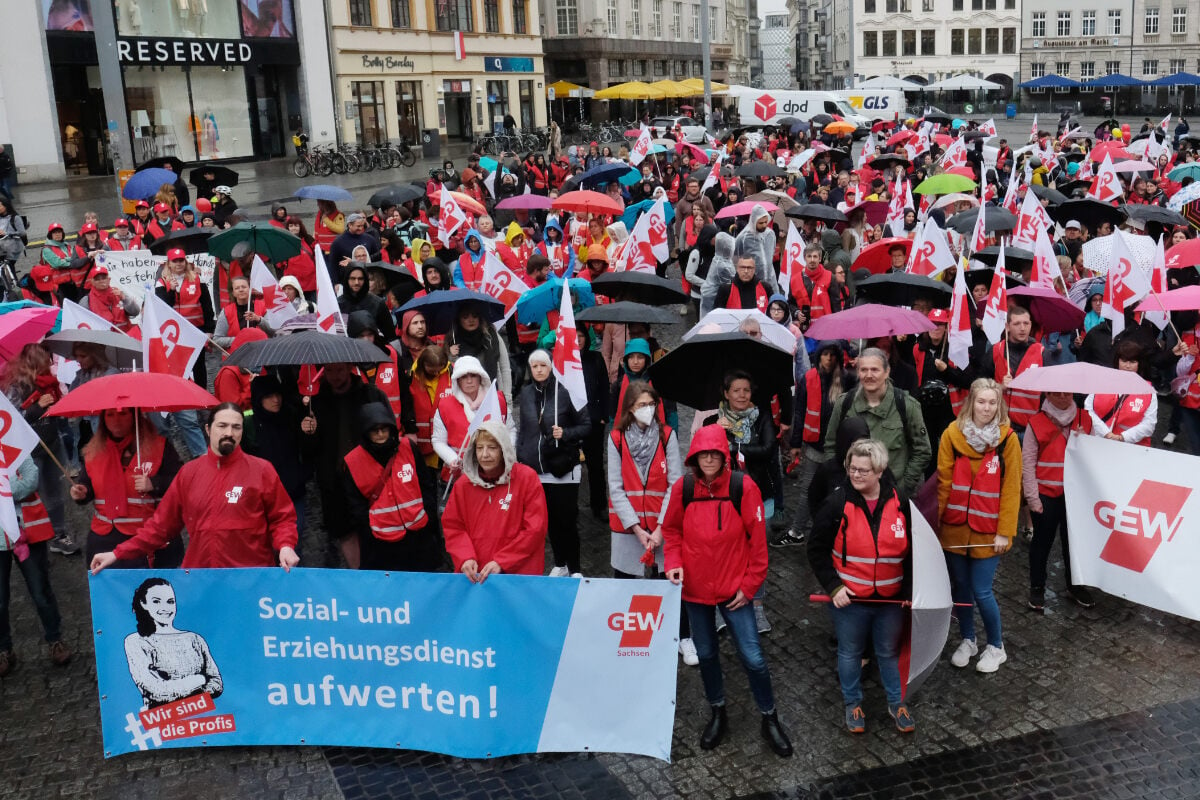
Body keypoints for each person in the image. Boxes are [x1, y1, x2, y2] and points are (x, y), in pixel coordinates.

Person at [663, 424, 793, 757]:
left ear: (724, 456)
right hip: (695, 592)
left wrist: (748, 587)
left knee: (753, 657)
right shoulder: (684, 488)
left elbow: (759, 546)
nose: (708, 459)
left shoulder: (743, 487)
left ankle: (769, 716)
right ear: (694, 456)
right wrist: (673, 561)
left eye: (714, 454)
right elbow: (672, 530)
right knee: (706, 655)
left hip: (735, 593)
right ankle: (717, 710)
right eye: (702, 454)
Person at [89, 404, 300, 572]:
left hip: (250, 577)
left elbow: (282, 518)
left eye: (236, 427)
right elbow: (160, 527)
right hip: (202, 578)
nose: (229, 432)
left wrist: (286, 545)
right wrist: (117, 553)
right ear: (208, 429)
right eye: (222, 426)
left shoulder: (261, 470)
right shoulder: (189, 473)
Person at [808, 439, 914, 733]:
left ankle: (897, 703)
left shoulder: (900, 501)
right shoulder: (836, 504)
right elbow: (816, 549)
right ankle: (852, 704)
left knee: (887, 652)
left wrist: (907, 592)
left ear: (879, 471)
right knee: (850, 652)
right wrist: (834, 587)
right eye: (853, 469)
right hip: (850, 601)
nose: (856, 475)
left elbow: (913, 551)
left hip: (889, 601)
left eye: (863, 471)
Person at [937, 379, 1022, 674]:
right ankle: (968, 640)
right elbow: (943, 482)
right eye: (981, 402)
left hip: (989, 530)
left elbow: (1012, 489)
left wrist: (1005, 531)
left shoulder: (1008, 440)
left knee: (981, 590)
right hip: (955, 527)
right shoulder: (951, 434)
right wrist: (935, 524)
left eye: (992, 402)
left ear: (999, 405)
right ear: (970, 402)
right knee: (960, 587)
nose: (986, 408)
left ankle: (996, 646)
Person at [607, 382, 693, 662]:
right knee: (627, 583)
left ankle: (682, 636)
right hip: (628, 528)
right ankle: (631, 638)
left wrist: (658, 529)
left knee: (668, 582)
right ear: (630, 409)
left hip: (661, 525)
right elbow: (616, 486)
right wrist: (636, 527)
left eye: (650, 404)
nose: (646, 410)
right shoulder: (616, 439)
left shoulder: (667, 436)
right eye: (640, 405)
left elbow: (675, 483)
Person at [68, 408, 185, 567]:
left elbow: (182, 483)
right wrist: (81, 493)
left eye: (123, 414)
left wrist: (154, 483)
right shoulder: (93, 451)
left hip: (148, 538)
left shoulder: (160, 447)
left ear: (135, 416)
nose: (116, 420)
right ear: (103, 419)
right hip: (105, 539)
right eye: (110, 415)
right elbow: (86, 484)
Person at [343, 402, 444, 572]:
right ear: (366, 432)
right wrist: (370, 531)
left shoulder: (408, 448)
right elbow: (355, 506)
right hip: (382, 543)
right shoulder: (353, 462)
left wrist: (428, 516)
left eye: (384, 429)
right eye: (375, 430)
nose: (381, 434)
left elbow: (426, 484)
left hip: (419, 536)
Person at [517, 349, 590, 577]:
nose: (539, 370)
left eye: (543, 366)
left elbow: (586, 426)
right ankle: (560, 563)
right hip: (536, 468)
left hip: (563, 468)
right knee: (549, 521)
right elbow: (525, 429)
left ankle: (575, 567)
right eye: (535, 366)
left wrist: (565, 433)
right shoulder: (526, 393)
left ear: (551, 367)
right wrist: (521, 454)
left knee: (567, 520)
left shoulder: (566, 392)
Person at [442, 421, 547, 581]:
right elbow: (453, 526)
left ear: (504, 449)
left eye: (492, 448)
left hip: (518, 577)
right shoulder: (463, 485)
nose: (485, 454)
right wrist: (465, 557)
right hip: (477, 578)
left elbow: (535, 529)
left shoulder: (527, 479)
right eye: (479, 448)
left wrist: (503, 561)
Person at [823, 347, 931, 498]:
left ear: (887, 372)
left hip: (891, 494)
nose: (869, 375)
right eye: (864, 370)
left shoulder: (906, 406)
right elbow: (830, 445)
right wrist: (839, 481)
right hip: (852, 493)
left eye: (875, 369)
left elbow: (922, 451)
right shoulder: (844, 403)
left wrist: (903, 487)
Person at [0, 343, 75, 555]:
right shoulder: (15, 387)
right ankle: (32, 537)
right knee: (34, 495)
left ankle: (59, 534)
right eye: (43, 364)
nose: (48, 368)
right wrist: (36, 408)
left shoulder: (48, 384)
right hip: (30, 452)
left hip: (51, 442)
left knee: (55, 492)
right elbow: (11, 421)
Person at [1023, 390, 1095, 612]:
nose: (1063, 398)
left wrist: (1085, 442)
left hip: (1075, 494)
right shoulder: (1035, 423)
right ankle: (1037, 587)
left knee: (1073, 544)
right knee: (1041, 545)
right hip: (1046, 494)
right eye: (1057, 394)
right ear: (1048, 395)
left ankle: (1075, 586)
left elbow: (1096, 456)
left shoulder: (1086, 419)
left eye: (1067, 394)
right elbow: (1028, 463)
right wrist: (1033, 498)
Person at [0, 457, 72, 675]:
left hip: (28, 533)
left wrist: (3, 490)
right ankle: (4, 648)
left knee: (40, 591)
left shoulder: (14, 444)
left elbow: (31, 480)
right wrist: (13, 488)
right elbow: (24, 484)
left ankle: (55, 639)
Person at [779, 341, 854, 547]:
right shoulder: (809, 378)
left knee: (835, 491)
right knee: (808, 489)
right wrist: (795, 444)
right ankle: (797, 530)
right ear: (819, 356)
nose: (828, 359)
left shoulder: (847, 379)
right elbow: (800, 410)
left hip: (838, 448)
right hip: (814, 445)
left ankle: (831, 532)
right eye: (825, 354)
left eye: (832, 355)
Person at [123, 578, 222, 708]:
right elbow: (156, 691)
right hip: (162, 723)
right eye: (156, 601)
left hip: (203, 720)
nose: (165, 608)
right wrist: (200, 679)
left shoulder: (195, 639)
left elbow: (216, 683)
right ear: (143, 603)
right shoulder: (136, 641)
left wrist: (177, 692)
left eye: (170, 602)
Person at [431, 356, 512, 480]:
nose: (469, 381)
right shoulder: (445, 405)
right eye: (464, 377)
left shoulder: (498, 400)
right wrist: (452, 459)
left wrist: (505, 453)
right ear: (457, 380)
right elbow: (438, 441)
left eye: (473, 376)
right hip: (460, 474)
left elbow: (510, 431)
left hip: (495, 471)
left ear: (481, 377)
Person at [1083, 340, 1157, 447]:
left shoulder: (1148, 391)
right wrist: (1105, 433)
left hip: (1131, 447)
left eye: (1132, 362)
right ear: (1117, 361)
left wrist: (1122, 437)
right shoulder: (1103, 382)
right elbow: (1088, 409)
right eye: (1124, 361)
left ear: (1139, 364)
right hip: (1099, 442)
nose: (1127, 366)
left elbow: (1149, 425)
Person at [445, 303, 513, 402]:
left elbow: (505, 369)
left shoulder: (491, 337)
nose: (471, 320)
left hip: (493, 395)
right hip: (464, 401)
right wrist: (451, 356)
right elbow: (451, 376)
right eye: (465, 317)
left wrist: (507, 398)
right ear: (459, 319)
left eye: (475, 316)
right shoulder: (453, 340)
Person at [80, 265, 140, 335]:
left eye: (104, 278)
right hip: (104, 340)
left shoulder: (119, 293)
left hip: (126, 336)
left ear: (109, 279)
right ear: (92, 282)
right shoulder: (86, 300)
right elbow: (83, 324)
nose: (101, 281)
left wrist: (124, 299)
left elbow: (135, 312)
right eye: (97, 279)